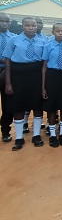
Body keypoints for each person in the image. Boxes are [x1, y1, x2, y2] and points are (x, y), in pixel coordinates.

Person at [3, 17, 46, 150]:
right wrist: (8, 83)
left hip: (37, 76)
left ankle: (36, 135)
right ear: (22, 27)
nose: (30, 27)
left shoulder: (43, 41)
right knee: (19, 107)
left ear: (37, 27)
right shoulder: (13, 40)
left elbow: (45, 63)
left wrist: (44, 85)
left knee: (38, 107)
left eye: (33, 25)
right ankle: (19, 138)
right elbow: (8, 62)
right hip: (18, 76)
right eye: (27, 25)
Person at [42, 23, 62, 147]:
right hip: (52, 76)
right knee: (52, 106)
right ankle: (53, 135)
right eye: (57, 31)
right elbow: (44, 67)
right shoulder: (48, 46)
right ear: (53, 32)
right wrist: (43, 86)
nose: (60, 33)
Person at [0, 12, 16, 142]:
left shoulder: (14, 38)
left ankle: (5, 130)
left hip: (7, 73)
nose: (4, 23)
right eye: (2, 21)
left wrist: (7, 62)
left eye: (7, 21)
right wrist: (6, 60)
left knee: (7, 103)